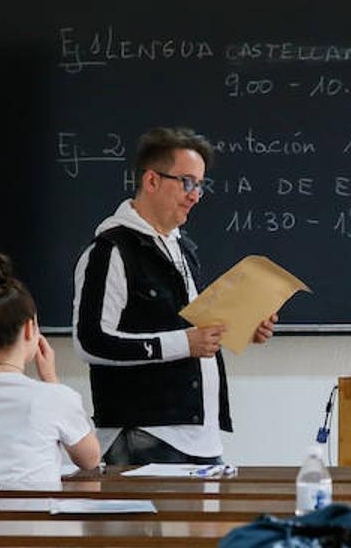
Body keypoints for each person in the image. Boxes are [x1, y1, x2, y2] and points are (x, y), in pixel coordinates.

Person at [73, 127, 276, 465]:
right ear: (151, 181)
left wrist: (242, 327)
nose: (195, 194)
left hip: (201, 436)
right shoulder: (111, 250)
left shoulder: (182, 249)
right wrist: (185, 343)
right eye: (186, 182)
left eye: (199, 185)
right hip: (146, 437)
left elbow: (189, 330)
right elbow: (90, 341)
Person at [0, 253, 100, 490]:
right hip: (35, 524)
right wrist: (51, 380)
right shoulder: (54, 397)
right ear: (29, 329)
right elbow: (90, 459)